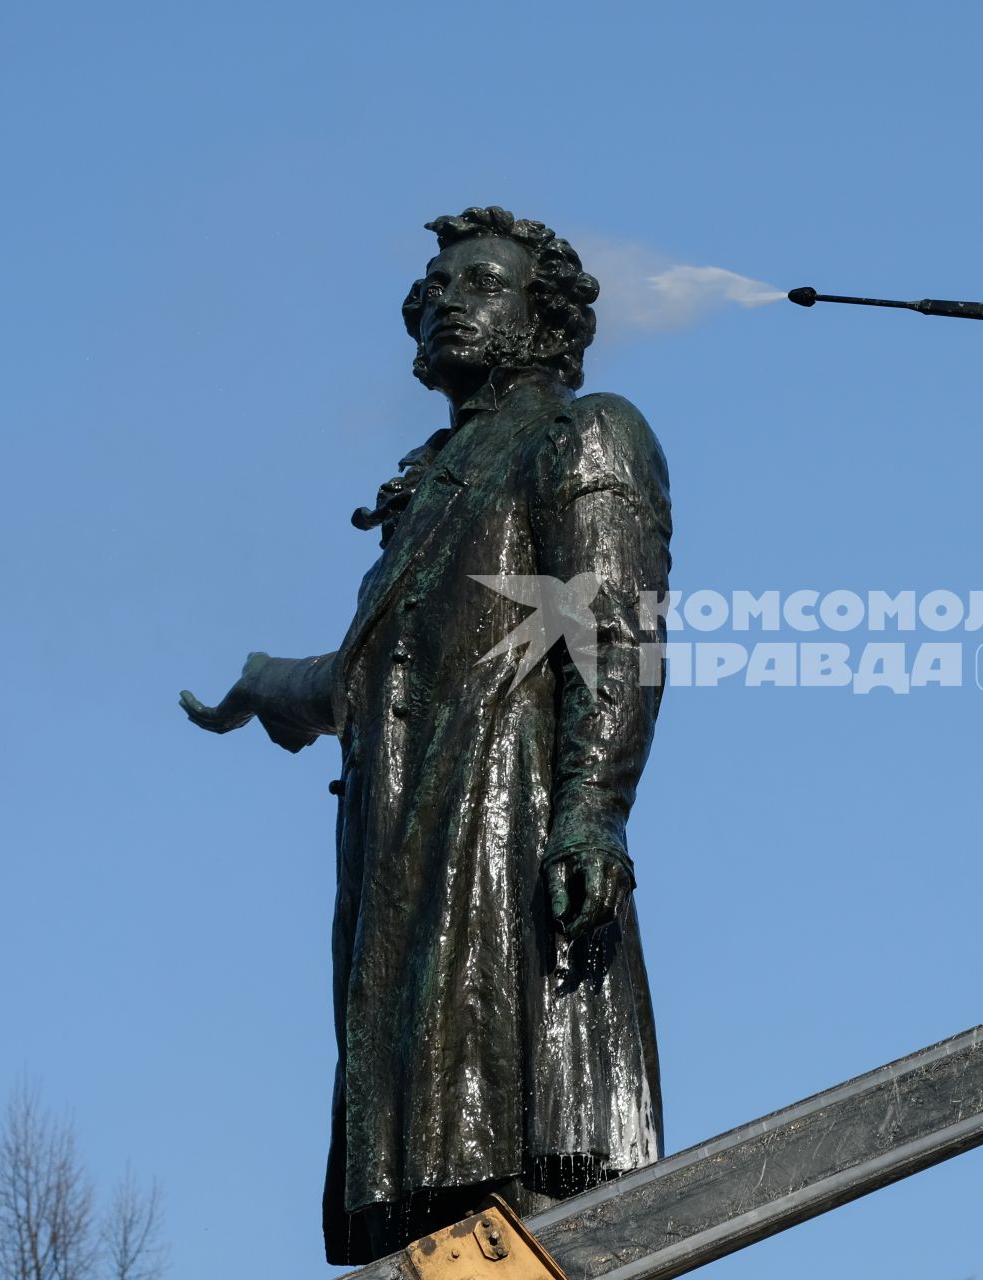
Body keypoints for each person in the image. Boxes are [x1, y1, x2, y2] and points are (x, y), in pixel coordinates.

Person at [179, 207, 670, 1264]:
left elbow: (618, 635)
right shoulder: (436, 483)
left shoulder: (583, 433)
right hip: (408, 857)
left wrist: (591, 812)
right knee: (424, 1164)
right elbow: (380, 674)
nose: (445, 299)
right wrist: (271, 682)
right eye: (433, 287)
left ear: (545, 320)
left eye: (479, 281)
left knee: (512, 1139)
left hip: (508, 833)